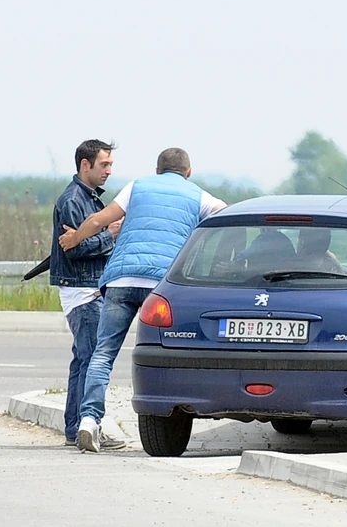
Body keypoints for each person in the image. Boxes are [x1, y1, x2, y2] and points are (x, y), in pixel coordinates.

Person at [58, 147, 227, 453]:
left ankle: (88, 419)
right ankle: (166, 414)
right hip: (161, 286)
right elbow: (227, 217)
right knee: (162, 352)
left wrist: (74, 238)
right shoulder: (198, 195)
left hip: (121, 279)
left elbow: (98, 220)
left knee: (103, 353)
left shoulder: (137, 186)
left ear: (158, 170)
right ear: (188, 172)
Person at [49, 139, 126, 450]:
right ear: (85, 165)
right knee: (92, 361)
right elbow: (74, 248)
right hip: (83, 291)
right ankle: (86, 426)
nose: (109, 170)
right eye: (104, 164)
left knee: (84, 360)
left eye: (110, 164)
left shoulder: (90, 198)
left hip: (90, 288)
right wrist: (109, 234)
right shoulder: (73, 201)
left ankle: (75, 427)